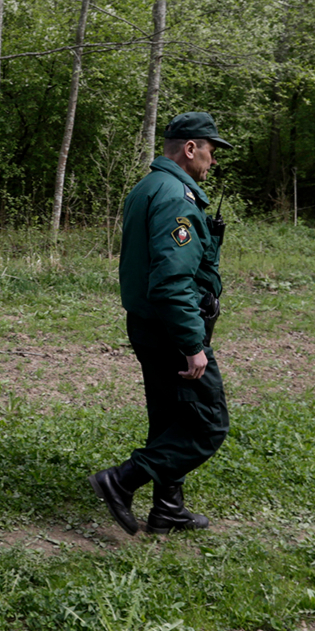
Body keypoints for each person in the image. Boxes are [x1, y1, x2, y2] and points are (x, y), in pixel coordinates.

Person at [89, 111, 231, 535]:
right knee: (208, 424)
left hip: (151, 324)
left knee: (170, 418)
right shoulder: (174, 196)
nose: (213, 161)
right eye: (210, 150)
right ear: (190, 149)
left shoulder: (150, 186)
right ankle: (122, 479)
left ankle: (168, 507)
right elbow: (171, 280)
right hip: (171, 328)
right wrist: (192, 343)